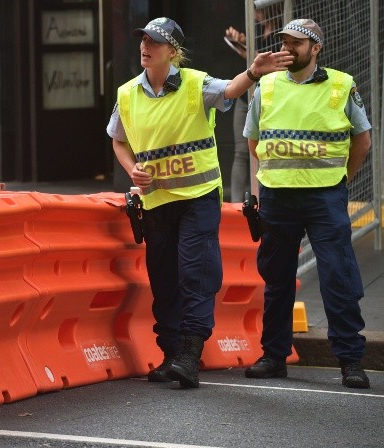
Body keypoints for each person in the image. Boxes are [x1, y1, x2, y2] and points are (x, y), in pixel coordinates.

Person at [106, 17, 292, 388]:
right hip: (157, 202)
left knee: (196, 274)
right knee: (164, 281)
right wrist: (132, 170)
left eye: (154, 42)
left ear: (172, 51)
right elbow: (118, 139)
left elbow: (230, 90)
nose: (145, 47)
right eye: (143, 40)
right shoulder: (127, 94)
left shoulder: (195, 84)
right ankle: (171, 354)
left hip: (198, 198)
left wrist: (253, 72)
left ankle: (190, 355)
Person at [243, 19, 372, 389]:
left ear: (316, 48)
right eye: (285, 41)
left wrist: (340, 180)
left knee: (337, 277)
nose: (288, 48)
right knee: (277, 279)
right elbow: (254, 140)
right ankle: (274, 356)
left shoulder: (341, 85)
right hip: (277, 196)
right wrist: (269, 182)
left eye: (296, 43)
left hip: (324, 196)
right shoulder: (266, 85)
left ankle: (350, 361)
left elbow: (362, 140)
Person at [225, 4, 282, 202]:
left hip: (270, 99)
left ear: (271, 8)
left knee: (265, 151)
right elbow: (250, 62)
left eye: (259, 10)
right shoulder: (255, 29)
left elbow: (274, 65)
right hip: (245, 97)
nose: (256, 14)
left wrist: (248, 51)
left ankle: (263, 201)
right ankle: (236, 204)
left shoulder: (283, 33)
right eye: (255, 10)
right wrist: (240, 41)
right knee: (241, 152)